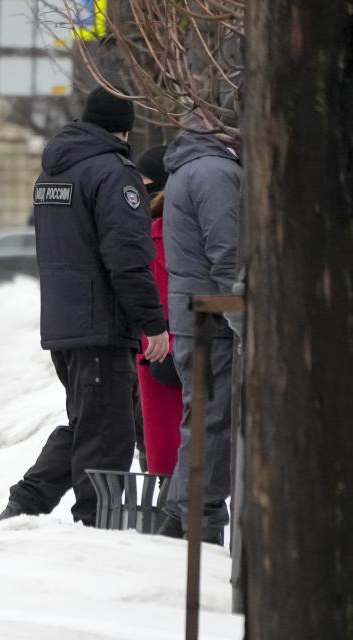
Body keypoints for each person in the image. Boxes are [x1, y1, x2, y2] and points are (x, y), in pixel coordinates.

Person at [0, 87, 170, 526]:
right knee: (106, 439)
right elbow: (129, 258)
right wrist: (152, 322)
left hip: (66, 325)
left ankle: (25, 504)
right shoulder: (114, 174)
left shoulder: (54, 173)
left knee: (89, 425)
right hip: (101, 327)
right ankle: (96, 531)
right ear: (124, 129)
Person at [156, 116, 241, 546]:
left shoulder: (191, 169)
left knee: (203, 420)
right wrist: (246, 320)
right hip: (214, 320)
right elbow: (227, 254)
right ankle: (196, 527)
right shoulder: (216, 172)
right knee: (213, 423)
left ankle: (181, 519)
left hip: (196, 318)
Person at [134, 145, 183, 476]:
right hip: (161, 348)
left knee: (168, 453)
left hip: (164, 348)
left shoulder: (162, 233)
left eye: (145, 181)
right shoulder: (154, 231)